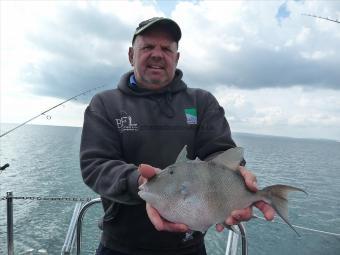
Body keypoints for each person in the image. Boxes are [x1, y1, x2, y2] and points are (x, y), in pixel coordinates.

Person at [80, 17, 275, 255]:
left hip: (189, 244)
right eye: (148, 47)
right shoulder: (105, 104)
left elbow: (219, 152)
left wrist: (236, 179)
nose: (157, 54)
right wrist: (139, 181)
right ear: (131, 55)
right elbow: (95, 165)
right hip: (120, 245)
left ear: (177, 57)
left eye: (166, 49)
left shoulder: (201, 102)